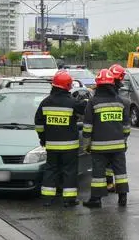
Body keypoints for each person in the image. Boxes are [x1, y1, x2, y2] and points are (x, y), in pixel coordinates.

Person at [34, 70, 87, 207]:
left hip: (51, 145)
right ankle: (69, 200)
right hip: (70, 146)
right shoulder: (72, 103)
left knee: (51, 170)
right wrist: (86, 100)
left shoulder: (45, 103)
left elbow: (38, 123)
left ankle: (47, 199)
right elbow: (84, 110)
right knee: (69, 171)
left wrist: (43, 138)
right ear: (68, 86)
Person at [82, 69, 130, 208]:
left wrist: (86, 145)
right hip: (118, 147)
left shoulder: (93, 102)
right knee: (120, 172)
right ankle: (122, 199)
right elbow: (126, 126)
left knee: (98, 173)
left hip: (99, 147)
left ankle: (96, 200)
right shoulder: (120, 102)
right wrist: (124, 141)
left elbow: (87, 127)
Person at [105, 64, 128, 193]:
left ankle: (109, 183)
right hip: (115, 136)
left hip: (106, 135)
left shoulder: (110, 90)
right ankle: (111, 184)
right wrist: (124, 138)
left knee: (108, 162)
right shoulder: (116, 96)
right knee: (113, 163)